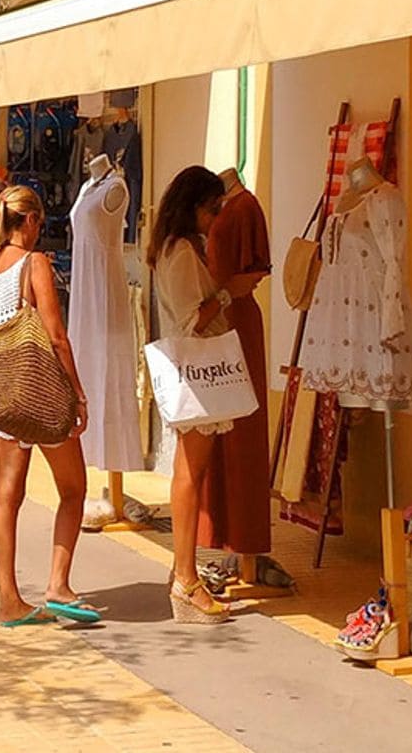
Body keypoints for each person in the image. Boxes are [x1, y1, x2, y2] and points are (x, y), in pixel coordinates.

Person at [0, 185, 100, 628]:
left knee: (7, 499)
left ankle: (9, 600)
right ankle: (58, 585)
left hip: (3, 396)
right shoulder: (35, 264)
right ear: (28, 221)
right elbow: (56, 335)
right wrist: (78, 394)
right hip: (42, 394)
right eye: (40, 223)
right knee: (73, 490)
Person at [148, 166, 237, 624]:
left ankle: (183, 570)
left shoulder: (171, 249)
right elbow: (191, 319)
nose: (214, 218)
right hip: (199, 370)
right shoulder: (181, 251)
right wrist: (226, 295)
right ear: (193, 207)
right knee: (190, 472)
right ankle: (186, 577)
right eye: (211, 209)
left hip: (195, 371)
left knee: (190, 472)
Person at [201, 166, 288, 591]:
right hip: (212, 319)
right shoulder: (215, 204)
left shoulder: (245, 207)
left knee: (243, 433)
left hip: (236, 320)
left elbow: (250, 274)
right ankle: (224, 542)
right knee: (216, 435)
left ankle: (249, 545)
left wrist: (223, 295)